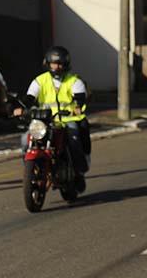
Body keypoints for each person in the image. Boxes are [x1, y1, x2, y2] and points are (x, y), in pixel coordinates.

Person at [14, 46, 91, 192]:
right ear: (47, 64)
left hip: (67, 120)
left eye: (59, 63)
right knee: (25, 139)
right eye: (53, 63)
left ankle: (79, 173)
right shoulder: (40, 80)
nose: (56, 67)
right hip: (44, 120)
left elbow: (80, 98)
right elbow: (30, 98)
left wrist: (77, 107)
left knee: (74, 139)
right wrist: (21, 108)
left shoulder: (74, 80)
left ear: (66, 64)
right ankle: (31, 171)